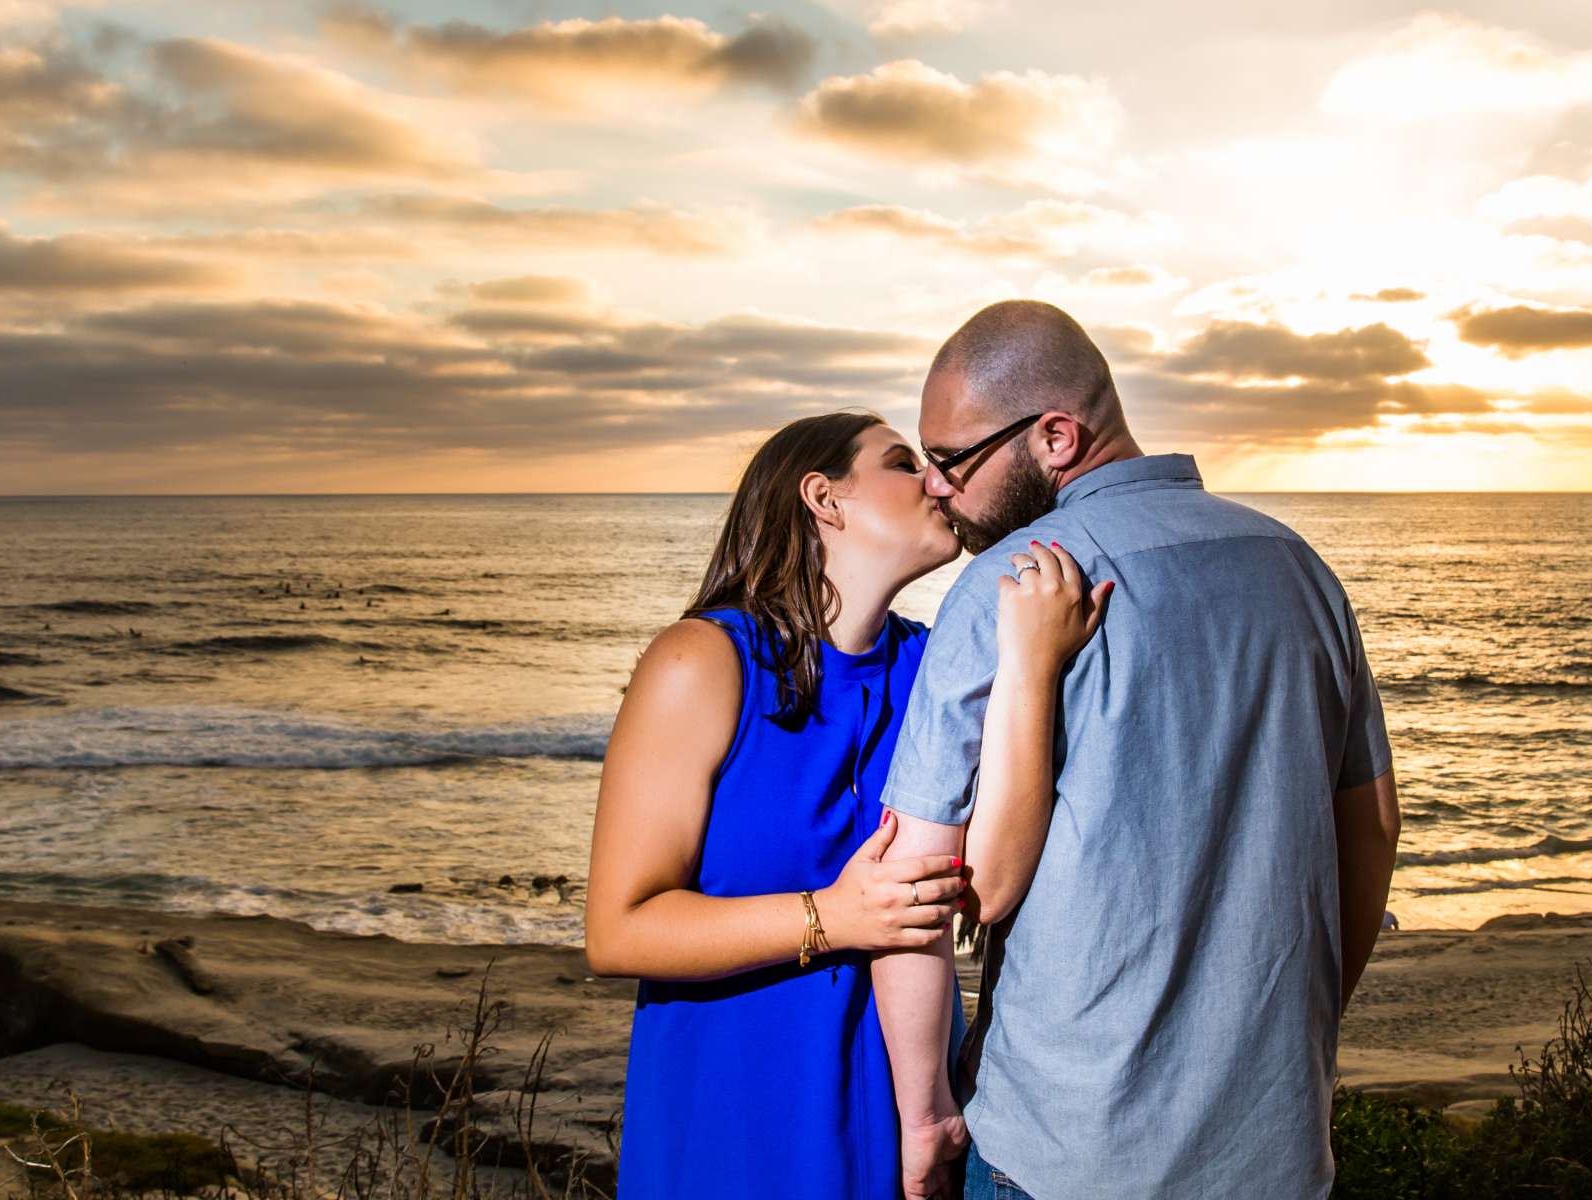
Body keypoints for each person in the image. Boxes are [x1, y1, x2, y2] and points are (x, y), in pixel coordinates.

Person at [873, 303, 1403, 1200]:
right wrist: (1298, 1043)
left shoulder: (1004, 588)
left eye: (952, 459)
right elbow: (1375, 829)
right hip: (1276, 1152)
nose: (936, 486)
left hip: (1065, 1152)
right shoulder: (1301, 570)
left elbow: (919, 894)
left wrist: (924, 1121)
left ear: (1054, 436)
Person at [587, 410, 1106, 1198]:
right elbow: (618, 928)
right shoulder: (701, 661)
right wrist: (831, 916)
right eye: (903, 462)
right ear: (824, 499)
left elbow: (992, 878)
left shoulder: (937, 666)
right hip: (736, 1109)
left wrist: (1033, 664)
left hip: (897, 1108)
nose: (937, 479)